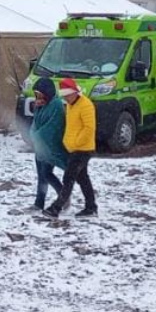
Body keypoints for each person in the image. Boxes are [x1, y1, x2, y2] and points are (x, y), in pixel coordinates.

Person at [43, 78, 98, 219]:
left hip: (83, 149)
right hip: (74, 148)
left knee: (69, 177)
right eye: (64, 96)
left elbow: (89, 128)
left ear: (74, 93)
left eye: (67, 95)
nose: (66, 98)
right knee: (83, 178)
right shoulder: (72, 105)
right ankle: (91, 207)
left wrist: (75, 142)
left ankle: (56, 208)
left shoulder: (85, 105)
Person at [28, 77, 68, 211]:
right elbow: (35, 123)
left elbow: (52, 127)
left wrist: (38, 136)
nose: (37, 96)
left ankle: (63, 195)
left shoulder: (56, 105)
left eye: (40, 93)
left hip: (50, 147)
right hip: (39, 147)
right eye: (36, 94)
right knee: (41, 175)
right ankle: (39, 203)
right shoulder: (40, 105)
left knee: (46, 173)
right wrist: (33, 134)